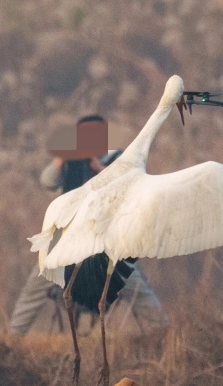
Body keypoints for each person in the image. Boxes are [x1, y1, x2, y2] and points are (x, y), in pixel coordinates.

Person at [9, 115, 165, 335]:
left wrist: (100, 168)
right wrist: (60, 160)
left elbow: (132, 185)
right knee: (37, 283)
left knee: (135, 287)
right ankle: (12, 337)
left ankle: (161, 333)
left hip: (107, 240)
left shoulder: (119, 158)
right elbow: (47, 181)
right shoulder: (71, 160)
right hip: (68, 238)